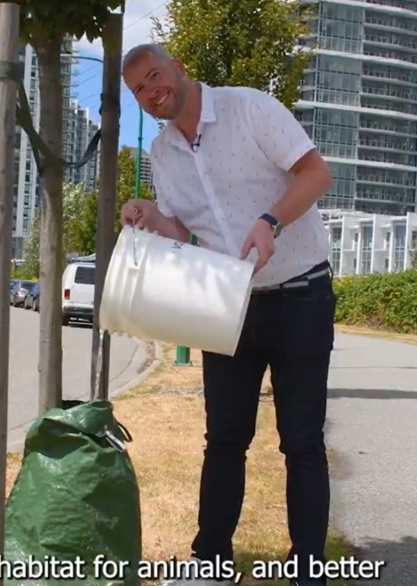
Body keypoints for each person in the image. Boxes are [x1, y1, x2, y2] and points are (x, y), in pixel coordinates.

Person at [119, 44, 337, 586]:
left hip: (302, 294)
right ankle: (211, 562)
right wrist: (150, 215)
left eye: (156, 77)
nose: (152, 92)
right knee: (224, 439)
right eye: (140, 90)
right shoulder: (163, 155)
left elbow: (316, 175)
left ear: (180, 69)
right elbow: (185, 233)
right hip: (228, 305)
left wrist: (270, 221)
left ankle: (308, 567)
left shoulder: (251, 109)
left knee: (301, 440)